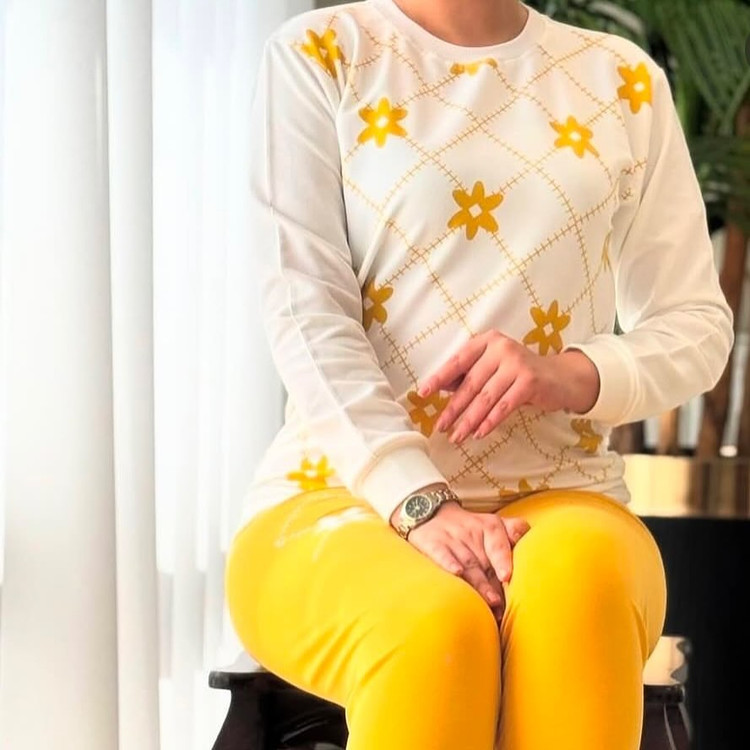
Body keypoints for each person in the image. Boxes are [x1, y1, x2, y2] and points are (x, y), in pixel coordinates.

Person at [225, 1, 734, 747]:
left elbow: (696, 325)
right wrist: (419, 501)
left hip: (565, 497)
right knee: (433, 629)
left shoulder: (622, 79)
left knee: (579, 598)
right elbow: (305, 314)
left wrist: (572, 372)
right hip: (337, 494)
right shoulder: (323, 53)